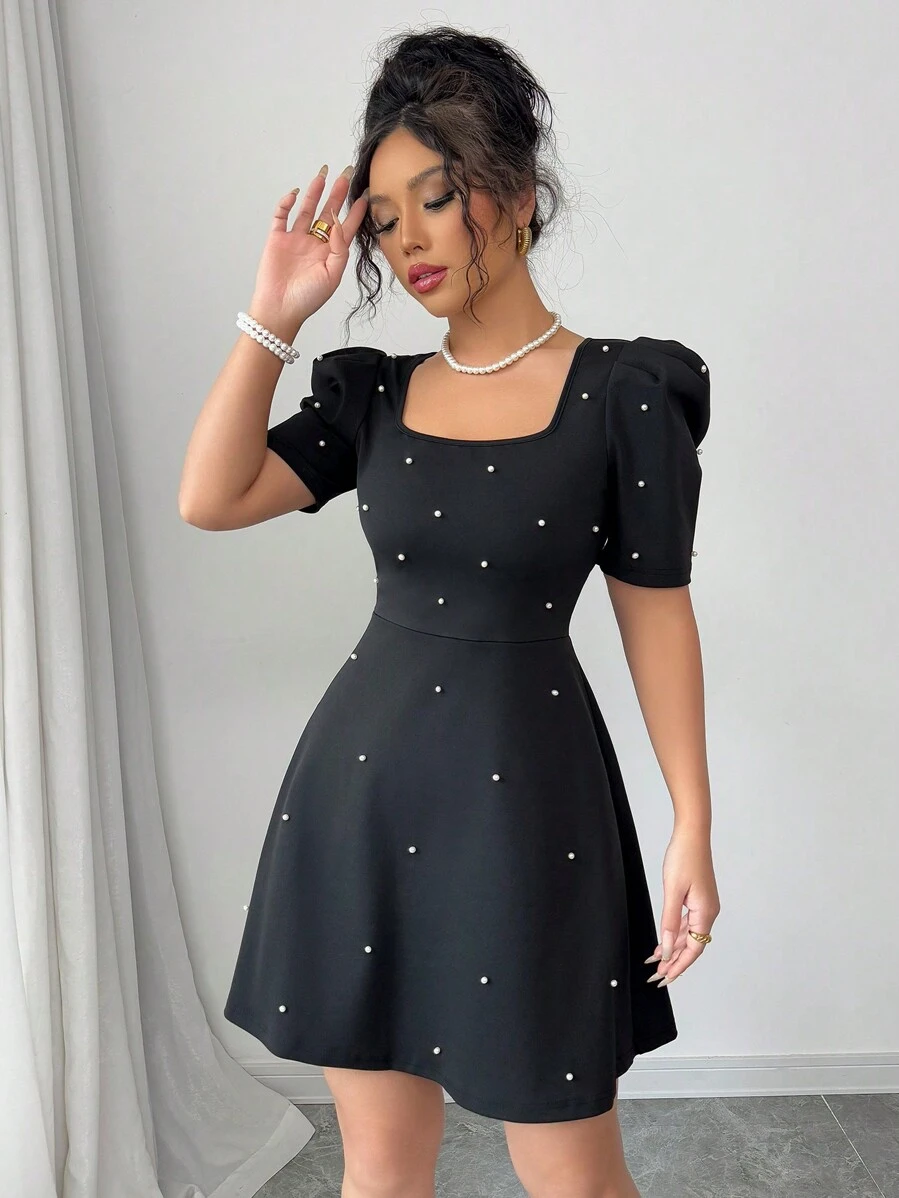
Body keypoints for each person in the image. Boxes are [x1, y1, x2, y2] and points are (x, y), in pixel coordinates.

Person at [179, 25, 720, 1198]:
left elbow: (657, 613)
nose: (407, 239)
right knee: (380, 1168)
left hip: (531, 814)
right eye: (382, 217)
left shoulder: (627, 393)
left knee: (575, 1174)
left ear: (517, 196)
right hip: (361, 804)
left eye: (435, 198)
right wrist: (274, 313)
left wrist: (693, 820)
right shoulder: (372, 395)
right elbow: (210, 497)